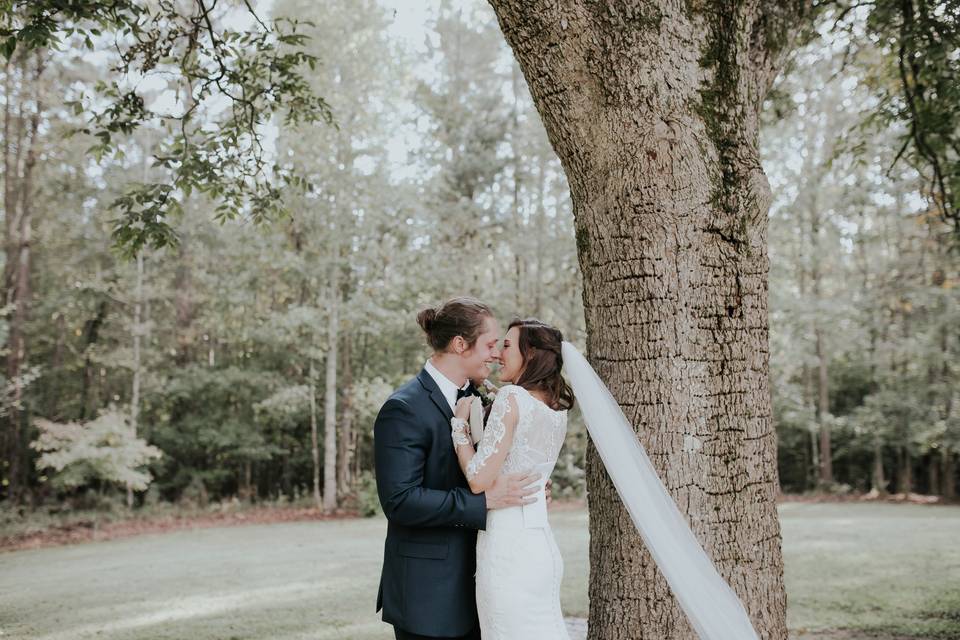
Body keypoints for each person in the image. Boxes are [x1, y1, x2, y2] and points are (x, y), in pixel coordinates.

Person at [373, 297, 541, 640]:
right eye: (490, 344)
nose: (496, 354)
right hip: (429, 594)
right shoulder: (403, 409)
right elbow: (400, 501)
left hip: (484, 584)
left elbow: (484, 470)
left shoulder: (483, 399)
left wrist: (517, 486)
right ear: (460, 344)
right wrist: (485, 501)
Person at [451, 318, 574, 639]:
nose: (498, 354)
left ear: (529, 354)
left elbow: (478, 479)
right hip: (540, 545)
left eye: (506, 345)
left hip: (508, 548)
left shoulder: (512, 398)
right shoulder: (555, 410)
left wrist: (459, 426)